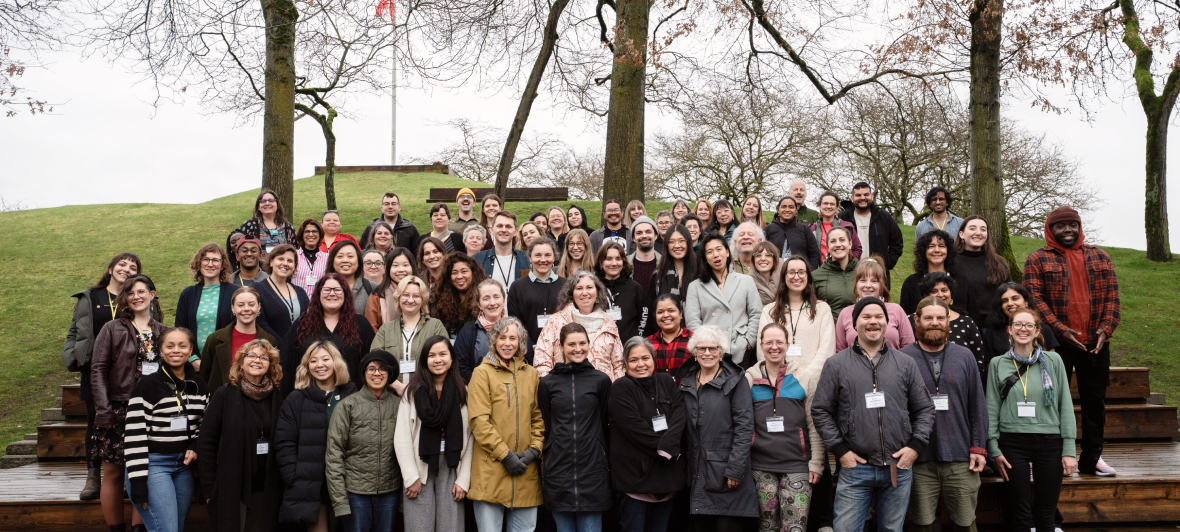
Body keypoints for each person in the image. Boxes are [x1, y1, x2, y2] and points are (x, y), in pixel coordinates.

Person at [810, 297, 936, 532]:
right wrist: (840, 450)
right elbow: (821, 410)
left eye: (879, 317)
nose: (873, 322)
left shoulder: (905, 363)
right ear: (855, 323)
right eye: (866, 317)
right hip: (855, 466)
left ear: (887, 323)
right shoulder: (836, 364)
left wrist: (915, 446)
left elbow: (925, 408)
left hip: (898, 466)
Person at [1022, 206, 1119, 477]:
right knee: (1051, 402)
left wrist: (1105, 330)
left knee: (1094, 403)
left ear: (1079, 227)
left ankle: (1092, 459)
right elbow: (1034, 299)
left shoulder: (1099, 255)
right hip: (1056, 345)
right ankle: (1054, 459)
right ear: (1050, 230)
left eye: (1072, 225)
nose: (1067, 230)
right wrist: (1060, 330)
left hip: (1096, 344)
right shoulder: (1037, 259)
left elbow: (1112, 296)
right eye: (1061, 226)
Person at [63, 252, 154, 501]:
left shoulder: (137, 296)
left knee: (130, 425)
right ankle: (93, 476)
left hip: (129, 372)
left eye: (132, 266)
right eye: (122, 264)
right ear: (111, 268)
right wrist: (73, 356)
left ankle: (126, 476)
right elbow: (75, 328)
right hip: (96, 369)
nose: (126, 269)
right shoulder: (91, 296)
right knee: (95, 420)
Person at [901, 297, 988, 532]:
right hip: (918, 460)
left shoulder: (964, 356)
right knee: (922, 525)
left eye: (940, 318)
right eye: (928, 318)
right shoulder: (902, 358)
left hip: (961, 458)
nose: (934, 323)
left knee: (965, 524)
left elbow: (977, 405)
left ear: (948, 321)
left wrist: (978, 447)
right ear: (916, 320)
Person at [986, 307, 1077, 531]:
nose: (1023, 329)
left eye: (1029, 325)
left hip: (1050, 442)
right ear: (1010, 330)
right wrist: (993, 447)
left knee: (1046, 513)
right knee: (1020, 511)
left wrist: (1069, 449)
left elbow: (1065, 404)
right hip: (1012, 442)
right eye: (1018, 324)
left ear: (1037, 331)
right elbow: (991, 407)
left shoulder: (1053, 360)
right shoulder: (998, 363)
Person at [91, 274, 163, 532]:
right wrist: (103, 409)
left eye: (142, 291)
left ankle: (138, 528)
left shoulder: (162, 331)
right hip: (119, 409)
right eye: (130, 293)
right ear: (125, 298)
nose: (136, 296)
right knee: (113, 473)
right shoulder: (112, 328)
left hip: (153, 412)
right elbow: (98, 368)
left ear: (152, 294)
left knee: (144, 472)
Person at [197, 338, 286, 532]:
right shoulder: (225, 394)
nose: (257, 360)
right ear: (241, 362)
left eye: (264, 357)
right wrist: (209, 488)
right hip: (232, 485)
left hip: (268, 485)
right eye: (251, 355)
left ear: (270, 365)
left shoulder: (277, 396)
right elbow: (206, 442)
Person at [124, 327, 209, 532]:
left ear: (190, 351)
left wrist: (195, 445)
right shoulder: (147, 386)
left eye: (182, 345)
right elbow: (134, 435)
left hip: (183, 467)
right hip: (153, 465)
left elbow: (204, 425)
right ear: (161, 350)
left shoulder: (199, 386)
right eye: (169, 346)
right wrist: (138, 482)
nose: (175, 350)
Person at [467, 317, 546, 532]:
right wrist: (506, 456)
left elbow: (538, 418)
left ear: (521, 342)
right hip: (492, 470)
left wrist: (533, 451)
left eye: (513, 338)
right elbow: (479, 422)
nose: (508, 343)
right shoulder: (481, 373)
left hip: (525, 471)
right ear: (494, 340)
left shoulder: (531, 375)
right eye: (503, 337)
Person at [745, 323, 825, 532]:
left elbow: (814, 424)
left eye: (779, 342)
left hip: (797, 466)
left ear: (787, 345)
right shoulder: (748, 378)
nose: (774, 347)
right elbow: (742, 423)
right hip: (760, 466)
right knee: (767, 526)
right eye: (768, 342)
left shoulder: (803, 378)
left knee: (795, 528)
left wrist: (816, 462)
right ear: (760, 346)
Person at [678, 325, 758, 529]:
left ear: (721, 352)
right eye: (701, 348)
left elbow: (744, 426)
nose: (707, 353)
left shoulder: (735, 381)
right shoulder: (685, 383)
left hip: (725, 474)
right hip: (696, 472)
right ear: (694, 353)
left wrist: (735, 469)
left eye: (713, 348)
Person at [274, 341, 359, 531]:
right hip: (310, 485)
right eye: (313, 361)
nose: (319, 365)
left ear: (336, 361)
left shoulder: (352, 395)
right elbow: (284, 442)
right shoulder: (296, 399)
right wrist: (293, 477)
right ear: (307, 367)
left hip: (348, 482)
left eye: (325, 359)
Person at [538, 323, 614, 532]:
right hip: (558, 471)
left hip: (593, 470)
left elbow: (607, 423)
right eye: (571, 344)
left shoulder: (601, 380)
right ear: (561, 346)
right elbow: (546, 424)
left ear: (589, 345)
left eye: (582, 343)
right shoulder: (548, 384)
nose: (577, 348)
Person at [395, 337, 474, 532]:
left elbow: (471, 437)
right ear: (424, 360)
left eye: (442, 354)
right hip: (420, 468)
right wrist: (410, 476)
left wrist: (463, 480)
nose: (437, 360)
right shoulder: (412, 392)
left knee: (451, 527)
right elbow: (402, 437)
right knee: (419, 527)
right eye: (431, 355)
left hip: (452, 466)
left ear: (452, 358)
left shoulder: (463, 391)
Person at [609, 337, 687, 532]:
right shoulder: (621, 387)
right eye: (634, 360)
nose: (640, 364)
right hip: (636, 481)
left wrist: (669, 445)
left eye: (645, 358)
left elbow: (679, 414)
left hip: (666, 479)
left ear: (654, 360)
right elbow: (634, 429)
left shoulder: (666, 382)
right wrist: (665, 449)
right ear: (625, 364)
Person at [325, 350, 403, 532]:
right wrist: (340, 501)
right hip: (355, 494)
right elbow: (334, 455)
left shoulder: (399, 405)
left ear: (390, 374)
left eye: (383, 369)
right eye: (372, 368)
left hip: (389, 493)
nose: (377, 373)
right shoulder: (347, 406)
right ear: (363, 373)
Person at [282, 274, 376, 394]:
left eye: (337, 290)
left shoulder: (361, 324)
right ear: (318, 294)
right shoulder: (301, 324)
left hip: (351, 398)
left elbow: (371, 362)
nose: (332, 294)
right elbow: (287, 363)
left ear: (345, 294)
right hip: (309, 399)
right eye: (326, 290)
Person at [685, 232, 762, 368]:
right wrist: (706, 347)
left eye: (719, 249)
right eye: (709, 252)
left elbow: (756, 313)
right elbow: (693, 321)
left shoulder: (745, 281)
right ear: (705, 258)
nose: (715, 255)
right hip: (709, 353)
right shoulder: (695, 286)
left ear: (727, 252)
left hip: (739, 350)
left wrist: (748, 341)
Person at [533, 270, 625, 380]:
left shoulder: (608, 323)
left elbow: (619, 363)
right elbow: (542, 358)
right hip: (566, 390)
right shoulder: (555, 321)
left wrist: (617, 390)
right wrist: (553, 386)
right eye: (579, 288)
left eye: (589, 287)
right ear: (571, 293)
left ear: (597, 291)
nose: (585, 292)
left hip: (605, 392)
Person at [755, 255, 836, 370]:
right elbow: (762, 350)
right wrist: (779, 379)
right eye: (791, 272)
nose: (796, 276)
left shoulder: (823, 309)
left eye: (801, 272)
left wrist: (805, 379)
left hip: (814, 382)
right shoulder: (769, 311)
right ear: (784, 276)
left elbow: (827, 350)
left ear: (808, 276)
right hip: (778, 383)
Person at [372, 276, 448, 394]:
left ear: (423, 299)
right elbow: (375, 361)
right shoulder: (386, 329)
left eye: (416, 296)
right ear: (398, 298)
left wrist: (418, 387)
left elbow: (444, 360)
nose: (410, 300)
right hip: (391, 396)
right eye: (406, 295)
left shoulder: (435, 326)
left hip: (427, 394)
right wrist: (397, 386)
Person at [200, 286, 281, 389]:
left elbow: (273, 375)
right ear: (233, 308)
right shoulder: (215, 339)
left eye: (251, 304)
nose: (246, 309)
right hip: (221, 401)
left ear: (259, 307)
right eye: (240, 305)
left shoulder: (270, 341)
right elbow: (204, 375)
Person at [981, 282, 1061, 383]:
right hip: (1008, 390)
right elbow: (993, 374)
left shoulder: (1043, 329)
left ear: (1026, 302)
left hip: (1042, 386)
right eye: (1004, 301)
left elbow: (1052, 367)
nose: (1010, 303)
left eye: (1015, 298)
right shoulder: (992, 333)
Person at [834, 257, 914, 351]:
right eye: (863, 280)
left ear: (881, 284)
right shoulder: (845, 313)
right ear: (856, 283)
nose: (868, 285)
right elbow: (839, 352)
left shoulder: (896, 310)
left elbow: (909, 349)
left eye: (874, 281)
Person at [507, 237, 567, 360]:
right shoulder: (517, 286)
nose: (543, 260)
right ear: (530, 258)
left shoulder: (566, 286)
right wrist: (531, 350)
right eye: (538, 255)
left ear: (554, 257)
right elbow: (516, 324)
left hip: (561, 352)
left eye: (548, 255)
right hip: (528, 353)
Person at [899, 229, 977, 321]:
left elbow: (974, 316)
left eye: (942, 246)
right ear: (923, 251)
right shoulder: (910, 282)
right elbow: (904, 319)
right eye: (931, 246)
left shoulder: (963, 281)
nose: (936, 250)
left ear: (948, 250)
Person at [918, 272, 986, 378]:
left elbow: (978, 361)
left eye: (944, 290)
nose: (940, 294)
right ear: (925, 295)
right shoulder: (913, 321)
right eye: (934, 291)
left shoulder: (966, 322)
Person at [175, 243, 238, 355]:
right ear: (199, 263)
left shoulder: (235, 293)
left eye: (215, 260)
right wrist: (192, 359)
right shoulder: (188, 294)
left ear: (222, 265)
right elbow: (180, 331)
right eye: (206, 259)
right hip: (194, 364)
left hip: (226, 361)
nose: (210, 264)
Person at [838, 182, 903, 286]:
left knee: (878, 302)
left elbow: (897, 242)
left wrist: (887, 264)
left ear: (871, 196)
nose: (862, 198)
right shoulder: (842, 218)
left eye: (866, 194)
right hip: (850, 272)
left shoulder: (884, 216)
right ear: (852, 197)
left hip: (878, 273)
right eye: (858, 195)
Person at [955, 215, 1011, 327]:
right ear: (961, 234)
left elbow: (1008, 292)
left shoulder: (998, 262)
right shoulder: (950, 260)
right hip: (962, 327)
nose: (978, 233)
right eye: (972, 228)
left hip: (994, 327)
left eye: (983, 229)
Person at [595, 241, 650, 341]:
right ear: (600, 263)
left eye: (618, 258)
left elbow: (644, 318)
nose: (614, 263)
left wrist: (637, 339)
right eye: (609, 259)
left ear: (623, 262)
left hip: (630, 348)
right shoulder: (593, 288)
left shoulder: (635, 288)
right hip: (600, 348)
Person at [256, 244, 310, 343]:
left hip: (300, 351)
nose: (285, 264)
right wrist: (284, 346)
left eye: (290, 261)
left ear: (294, 266)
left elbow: (307, 323)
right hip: (272, 351)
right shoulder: (257, 289)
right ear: (271, 262)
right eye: (281, 259)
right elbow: (261, 324)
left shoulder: (301, 292)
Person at [455, 280, 507, 381]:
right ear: (479, 304)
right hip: (479, 390)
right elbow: (461, 367)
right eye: (486, 298)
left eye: (496, 297)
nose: (492, 303)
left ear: (504, 301)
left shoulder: (517, 329)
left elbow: (526, 360)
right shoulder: (466, 333)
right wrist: (483, 385)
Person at [433, 253, 489, 336]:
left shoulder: (484, 301)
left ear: (474, 273)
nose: (459, 276)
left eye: (464, 271)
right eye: (454, 272)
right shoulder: (442, 303)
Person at [812, 227, 861, 322]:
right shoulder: (816, 276)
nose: (838, 245)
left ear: (850, 244)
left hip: (859, 332)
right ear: (827, 247)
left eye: (842, 240)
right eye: (833, 241)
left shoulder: (863, 273)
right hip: (830, 332)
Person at [475, 211, 532, 288]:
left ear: (515, 232)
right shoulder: (477, 259)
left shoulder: (526, 258)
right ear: (492, 230)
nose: (504, 230)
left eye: (508, 226)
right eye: (499, 226)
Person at [364, 247, 417, 330]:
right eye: (395, 265)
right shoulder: (378, 295)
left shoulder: (421, 292)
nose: (401, 270)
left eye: (405, 265)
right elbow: (371, 327)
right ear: (388, 269)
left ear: (412, 267)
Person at [764, 196, 822, 269]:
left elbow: (814, 253)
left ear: (796, 210)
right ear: (778, 209)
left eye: (791, 207)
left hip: (800, 275)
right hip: (774, 274)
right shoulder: (768, 229)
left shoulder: (805, 229)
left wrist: (810, 271)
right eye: (784, 207)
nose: (787, 210)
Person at [237, 188, 297, 258]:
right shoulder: (249, 226)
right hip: (257, 268)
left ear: (277, 205)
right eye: (263, 201)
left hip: (282, 267)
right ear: (258, 207)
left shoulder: (288, 227)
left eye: (271, 200)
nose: (267, 203)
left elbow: (295, 251)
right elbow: (237, 247)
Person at [648, 224, 697, 306]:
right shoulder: (658, 275)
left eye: (681, 241)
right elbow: (652, 308)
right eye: (671, 242)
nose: (677, 246)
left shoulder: (700, 271)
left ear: (688, 243)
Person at [646, 294, 693, 377]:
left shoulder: (694, 340)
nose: (666, 315)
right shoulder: (647, 343)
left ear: (680, 313)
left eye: (671, 311)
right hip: (655, 389)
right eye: (660, 312)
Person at [327, 240, 377, 316]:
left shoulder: (371, 287)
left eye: (350, 256)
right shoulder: (322, 286)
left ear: (358, 261)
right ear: (332, 261)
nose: (345, 260)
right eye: (340, 256)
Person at [810, 190, 863, 261]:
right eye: (825, 203)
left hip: (843, 270)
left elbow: (857, 249)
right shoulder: (811, 229)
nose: (828, 206)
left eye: (832, 204)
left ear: (837, 207)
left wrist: (849, 265)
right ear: (820, 206)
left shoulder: (846, 227)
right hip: (819, 270)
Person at [628, 216, 661, 295]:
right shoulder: (624, 264)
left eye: (648, 232)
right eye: (639, 233)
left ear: (655, 235)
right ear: (633, 238)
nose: (644, 236)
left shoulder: (665, 264)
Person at [295, 218, 330, 289]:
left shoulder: (328, 258)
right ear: (302, 234)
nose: (311, 234)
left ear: (320, 234)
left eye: (314, 231)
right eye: (307, 231)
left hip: (319, 299)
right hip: (297, 299)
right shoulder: (293, 256)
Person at [749, 241, 782, 305]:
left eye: (768, 255)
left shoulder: (785, 273)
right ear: (753, 260)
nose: (763, 259)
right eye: (758, 255)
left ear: (774, 259)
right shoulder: (748, 281)